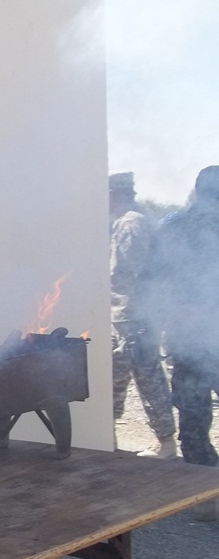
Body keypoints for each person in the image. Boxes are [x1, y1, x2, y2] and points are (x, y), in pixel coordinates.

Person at [147, 166, 219, 478]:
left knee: (193, 419)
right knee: (192, 417)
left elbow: (150, 279)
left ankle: (203, 486)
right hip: (197, 336)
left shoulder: (174, 227)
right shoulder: (176, 227)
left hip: (188, 338)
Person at [108, 171, 177, 458]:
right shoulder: (132, 220)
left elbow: (127, 272)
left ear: (115, 194)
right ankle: (106, 436)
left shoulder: (131, 223)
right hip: (126, 315)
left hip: (134, 316)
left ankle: (167, 444)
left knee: (147, 376)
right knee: (113, 376)